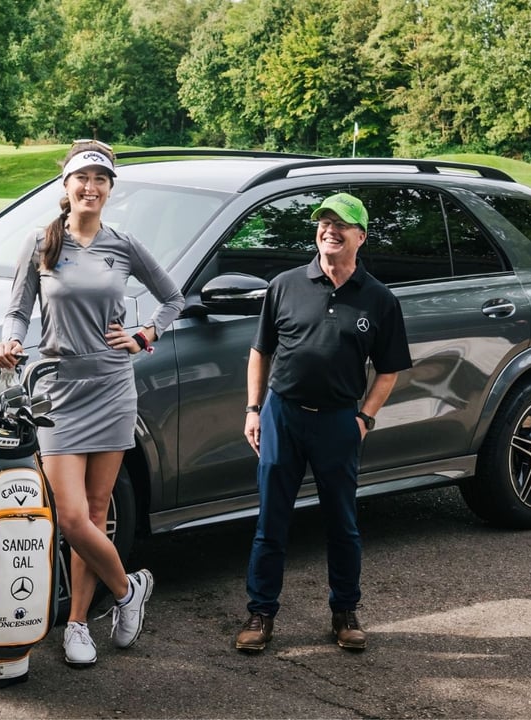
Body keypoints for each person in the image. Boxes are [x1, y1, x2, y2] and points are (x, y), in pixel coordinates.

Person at [0, 140, 185, 668]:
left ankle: (78, 624)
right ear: (66, 186)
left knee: (97, 514)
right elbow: (17, 312)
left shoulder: (123, 245)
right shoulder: (41, 243)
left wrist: (145, 337)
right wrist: (8, 343)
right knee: (71, 517)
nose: (91, 187)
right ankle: (128, 591)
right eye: (82, 178)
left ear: (109, 190)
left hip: (112, 389)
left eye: (100, 180)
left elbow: (174, 299)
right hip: (56, 393)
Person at [235, 192, 411, 653]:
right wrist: (254, 410)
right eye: (324, 222)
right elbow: (261, 351)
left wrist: (364, 418)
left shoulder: (378, 299)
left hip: (337, 421)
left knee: (341, 522)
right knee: (271, 522)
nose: (329, 230)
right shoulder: (286, 285)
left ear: (361, 236)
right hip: (282, 415)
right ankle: (260, 614)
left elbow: (389, 369)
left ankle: (345, 613)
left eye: (341, 224)